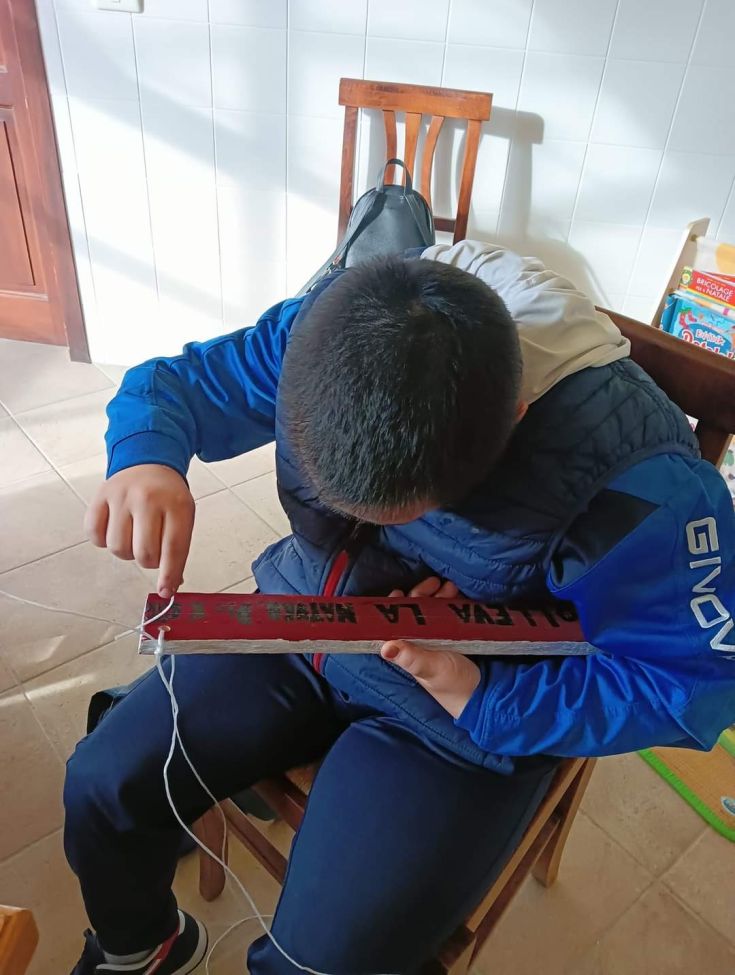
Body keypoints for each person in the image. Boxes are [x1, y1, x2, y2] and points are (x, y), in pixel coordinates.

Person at [68, 241, 735, 975]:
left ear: (511, 420)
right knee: (104, 785)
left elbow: (692, 683)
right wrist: (146, 454)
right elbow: (178, 384)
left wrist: (485, 695)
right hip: (301, 624)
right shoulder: (331, 329)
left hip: (459, 721)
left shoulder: (638, 485)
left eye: (407, 511)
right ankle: (144, 948)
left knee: (323, 962)